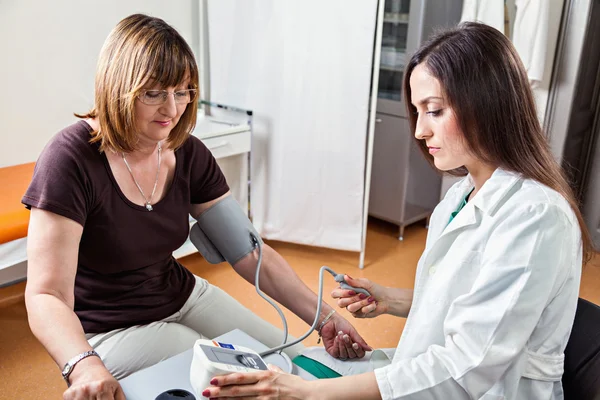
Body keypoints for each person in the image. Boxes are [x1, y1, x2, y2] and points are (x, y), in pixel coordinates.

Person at [204, 22, 594, 400]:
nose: (420, 131)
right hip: (428, 373)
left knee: (301, 383)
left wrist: (312, 394)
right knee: (299, 366)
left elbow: (465, 370)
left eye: (434, 110)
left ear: (486, 102)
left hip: (485, 391)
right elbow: (469, 300)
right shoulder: (462, 196)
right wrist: (394, 300)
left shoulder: (536, 218)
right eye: (417, 111)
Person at [22, 14, 370, 400]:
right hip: (109, 328)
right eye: (154, 92)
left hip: (182, 294)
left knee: (294, 362)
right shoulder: (69, 160)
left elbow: (250, 253)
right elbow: (45, 296)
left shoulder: (186, 152)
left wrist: (325, 318)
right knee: (241, 383)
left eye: (183, 91)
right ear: (118, 88)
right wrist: (83, 364)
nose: (172, 109)